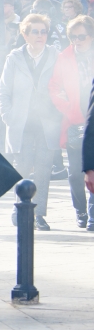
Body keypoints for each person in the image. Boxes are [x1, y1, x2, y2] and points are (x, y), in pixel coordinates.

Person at [0, 13, 61, 231]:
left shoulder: (55, 55)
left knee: (44, 169)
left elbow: (64, 87)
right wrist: (9, 117)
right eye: (35, 31)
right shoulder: (14, 58)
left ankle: (39, 215)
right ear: (25, 34)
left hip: (47, 122)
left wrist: (59, 114)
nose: (40, 35)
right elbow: (3, 92)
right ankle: (19, 209)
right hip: (22, 123)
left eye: (43, 31)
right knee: (22, 168)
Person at [49, 15, 94, 229]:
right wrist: (69, 109)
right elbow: (55, 87)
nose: (77, 40)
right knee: (75, 172)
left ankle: (93, 214)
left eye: (82, 36)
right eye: (73, 36)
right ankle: (81, 211)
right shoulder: (64, 56)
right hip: (75, 120)